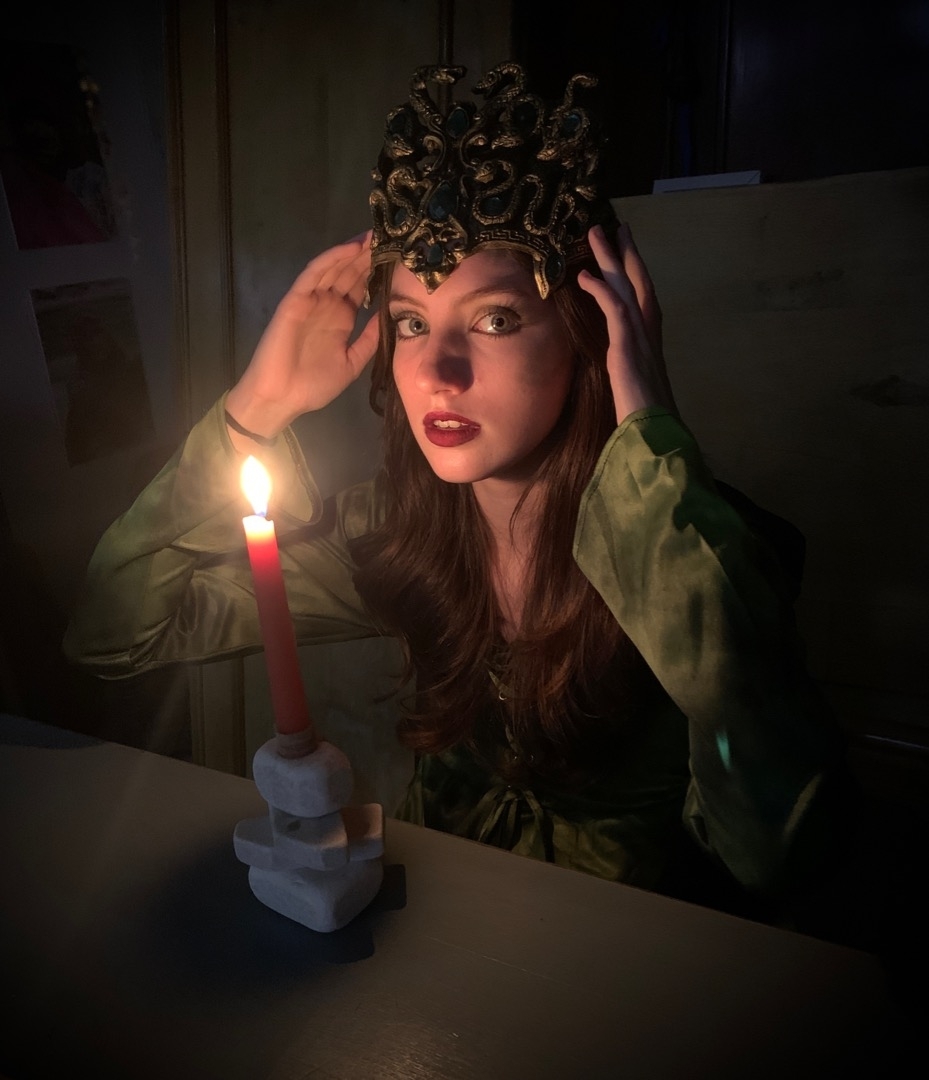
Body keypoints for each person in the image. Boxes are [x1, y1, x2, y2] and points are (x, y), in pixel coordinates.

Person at [63, 63, 844, 917]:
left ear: (588, 334)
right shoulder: (400, 532)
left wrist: (649, 447)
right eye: (410, 323)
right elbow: (117, 635)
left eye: (494, 320)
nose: (437, 370)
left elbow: (769, 854)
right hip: (431, 932)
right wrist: (255, 410)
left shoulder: (692, 547)